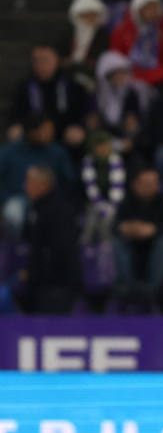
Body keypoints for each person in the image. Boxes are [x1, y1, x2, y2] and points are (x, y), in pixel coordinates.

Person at [16, 165, 81, 315]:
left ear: (43, 185)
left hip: (58, 284)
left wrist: (36, 272)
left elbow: (62, 250)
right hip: (38, 282)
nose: (25, 186)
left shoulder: (60, 211)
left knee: (53, 327)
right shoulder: (33, 208)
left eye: (29, 182)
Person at [112, 167, 163, 314]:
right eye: (145, 183)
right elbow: (115, 227)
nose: (150, 187)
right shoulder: (126, 202)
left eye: (153, 183)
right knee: (117, 243)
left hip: (158, 254)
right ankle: (127, 287)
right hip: (133, 251)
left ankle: (152, 291)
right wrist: (127, 228)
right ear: (135, 185)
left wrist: (154, 230)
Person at [7, 44, 87, 145]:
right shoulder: (25, 86)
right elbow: (16, 113)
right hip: (33, 132)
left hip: (63, 132)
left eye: (45, 60)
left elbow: (79, 113)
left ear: (56, 61)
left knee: (76, 135)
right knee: (15, 133)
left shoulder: (72, 85)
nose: (41, 65)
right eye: (36, 60)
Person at [110, 0, 163, 86]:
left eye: (154, 7)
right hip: (129, 75)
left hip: (160, 76)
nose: (152, 11)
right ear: (138, 9)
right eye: (147, 7)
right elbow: (115, 59)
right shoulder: (122, 31)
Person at [57, 0, 110, 89]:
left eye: (93, 15)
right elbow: (60, 53)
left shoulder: (101, 34)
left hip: (90, 72)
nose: (90, 19)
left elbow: (101, 55)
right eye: (86, 15)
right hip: (68, 71)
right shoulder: (68, 32)